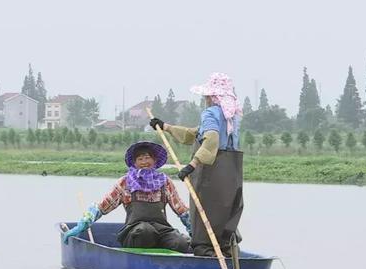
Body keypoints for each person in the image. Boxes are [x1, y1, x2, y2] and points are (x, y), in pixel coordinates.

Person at [150, 72, 243, 257]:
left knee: (205, 210)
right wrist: (166, 127)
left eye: (206, 95)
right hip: (232, 172)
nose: (205, 99)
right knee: (226, 209)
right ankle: (226, 247)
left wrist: (192, 165)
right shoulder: (231, 117)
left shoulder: (210, 113)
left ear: (211, 96)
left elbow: (211, 140)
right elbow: (195, 134)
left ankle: (205, 248)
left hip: (212, 171)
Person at [61, 141, 192, 253]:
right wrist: (83, 224)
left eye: (147, 158)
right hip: (135, 231)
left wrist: (194, 227)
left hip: (162, 229)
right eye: (140, 159)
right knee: (146, 232)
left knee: (181, 242)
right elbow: (102, 207)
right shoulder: (126, 182)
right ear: (134, 163)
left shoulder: (165, 182)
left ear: (155, 160)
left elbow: (181, 209)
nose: (144, 162)